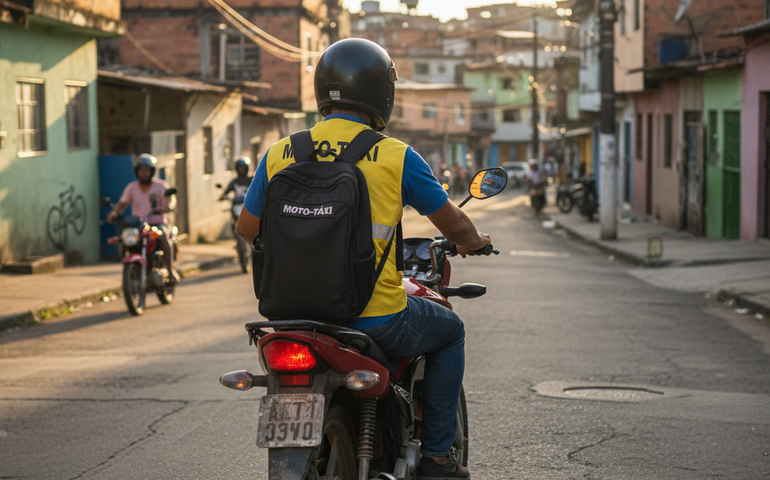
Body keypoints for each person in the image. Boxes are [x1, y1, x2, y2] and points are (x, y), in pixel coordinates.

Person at [235, 38, 489, 480]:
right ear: (381, 92)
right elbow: (456, 226)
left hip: (293, 318)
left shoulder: (281, 152)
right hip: (376, 319)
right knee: (451, 331)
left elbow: (246, 228)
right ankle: (436, 457)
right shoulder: (396, 155)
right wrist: (476, 241)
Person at [107, 154, 179, 284]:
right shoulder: (131, 187)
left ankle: (170, 271)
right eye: (141, 170)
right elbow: (122, 203)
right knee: (124, 240)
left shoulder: (160, 186)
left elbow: (170, 201)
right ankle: (131, 272)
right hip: (139, 225)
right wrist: (113, 213)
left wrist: (167, 208)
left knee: (163, 238)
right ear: (137, 171)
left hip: (157, 223)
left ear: (152, 171)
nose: (144, 173)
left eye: (146, 170)